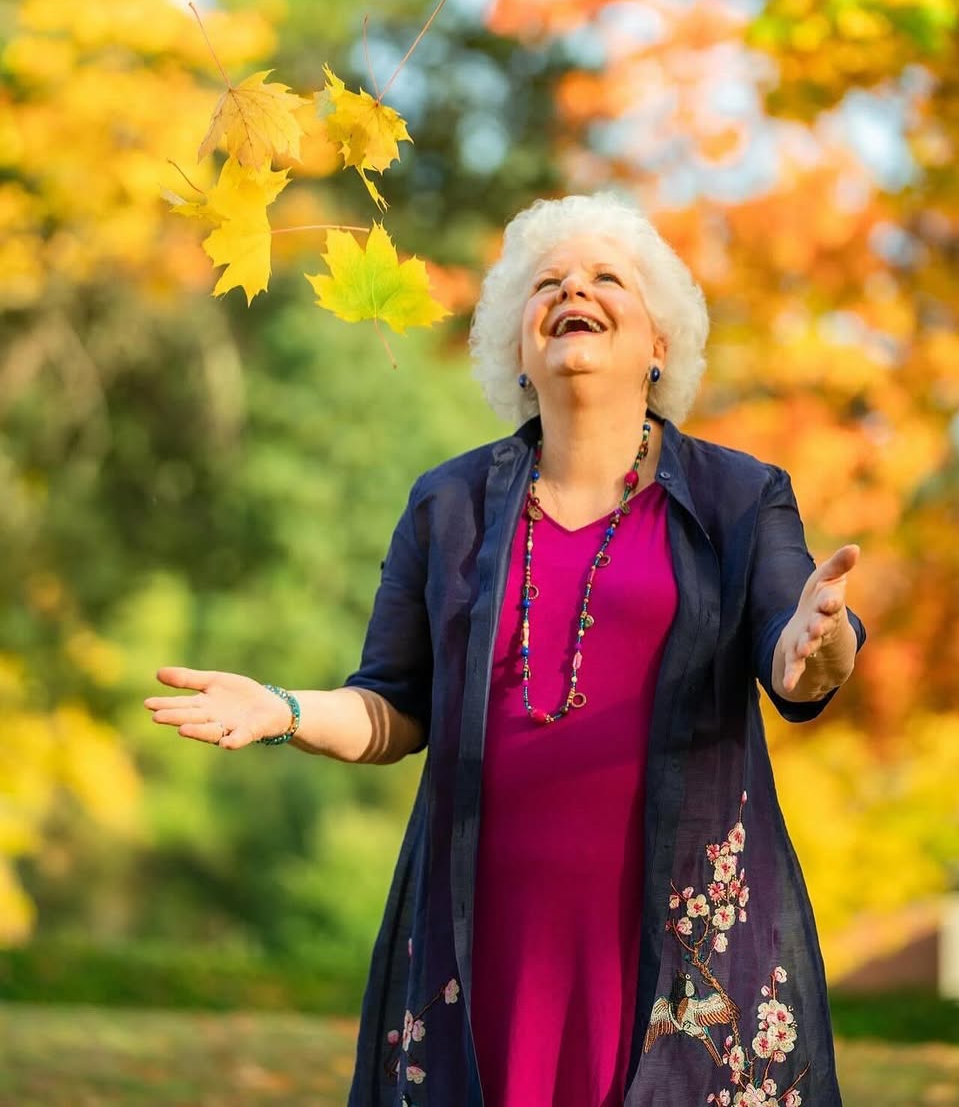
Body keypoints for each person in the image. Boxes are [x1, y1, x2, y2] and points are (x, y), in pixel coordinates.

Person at [145, 191, 867, 1107]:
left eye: (609, 277)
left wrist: (821, 635)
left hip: (682, 947)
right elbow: (389, 707)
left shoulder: (738, 495)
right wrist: (284, 712)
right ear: (518, 349)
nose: (575, 290)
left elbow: (799, 655)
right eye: (547, 283)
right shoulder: (447, 507)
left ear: (660, 344)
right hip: (486, 938)